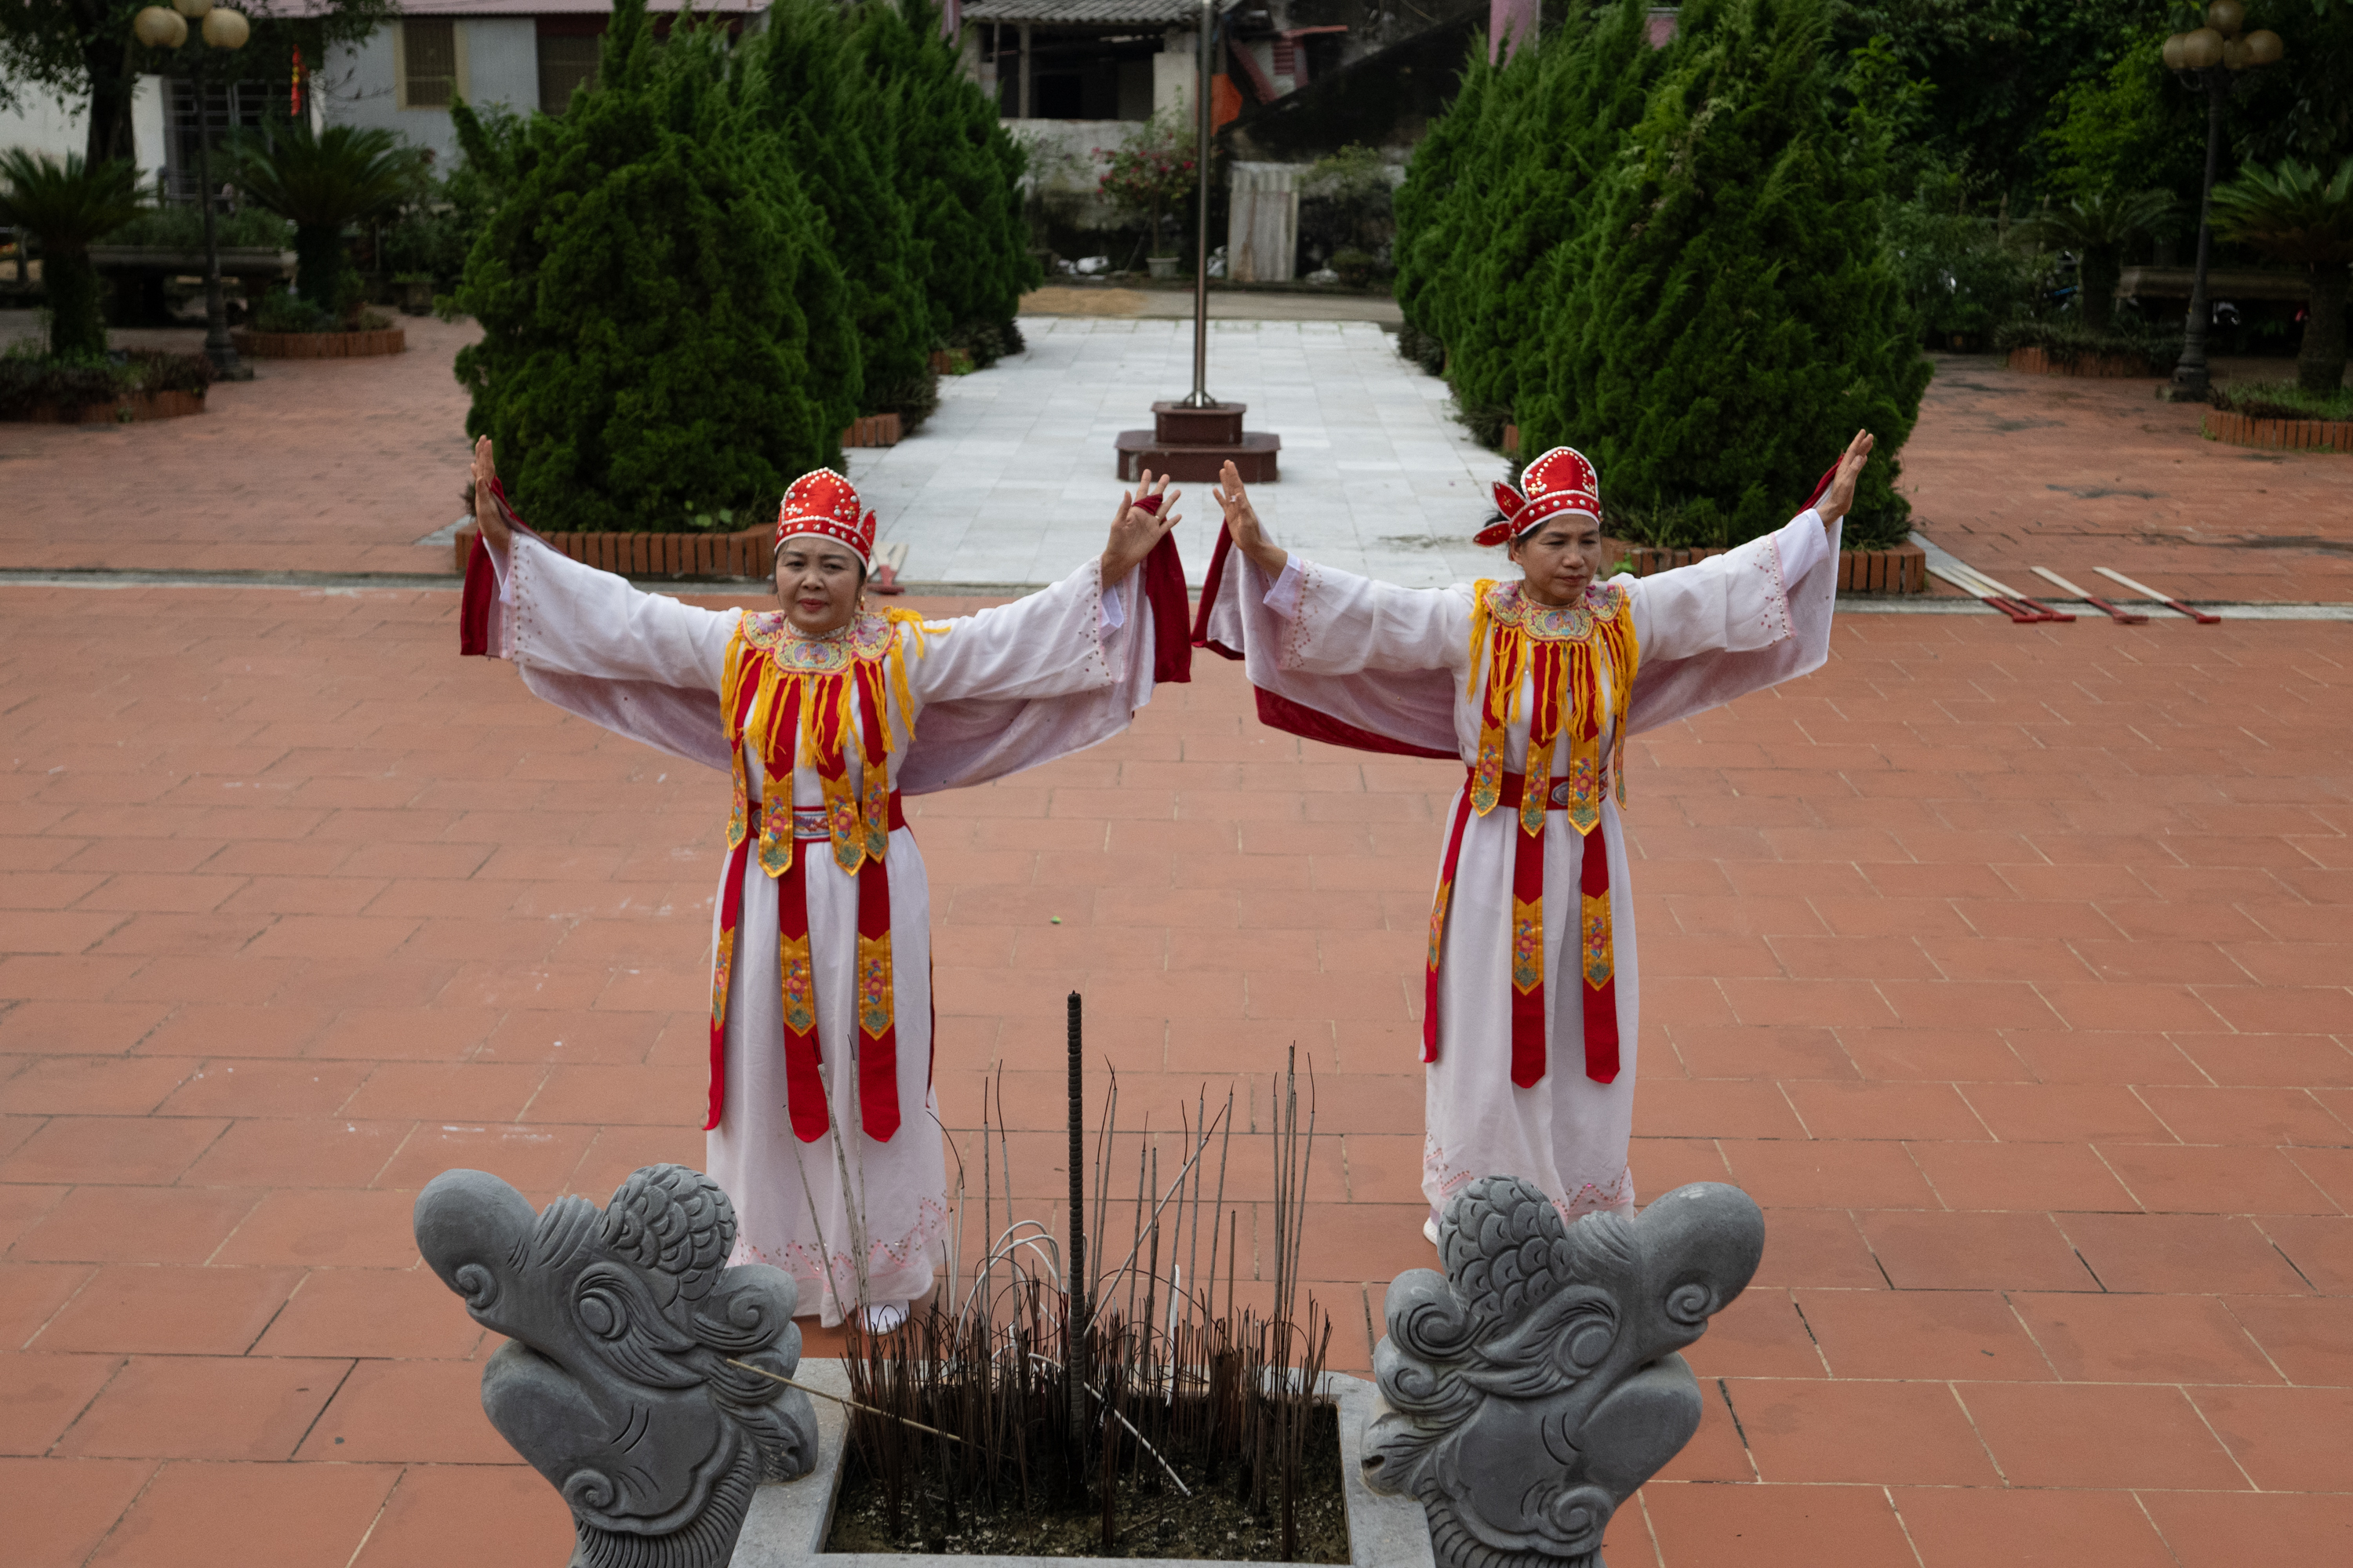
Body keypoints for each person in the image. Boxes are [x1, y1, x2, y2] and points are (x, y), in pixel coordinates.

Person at [460, 439, 1191, 1326]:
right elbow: (626, 618)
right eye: (796, 562)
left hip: (869, 896)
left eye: (832, 565)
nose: (811, 581)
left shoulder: (903, 652)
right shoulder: (735, 647)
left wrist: (1109, 569)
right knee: (760, 1067)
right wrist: (512, 546)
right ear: (775, 569)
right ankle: (766, 1256)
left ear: (862, 574)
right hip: (762, 896)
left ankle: (877, 1270)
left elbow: (1007, 638)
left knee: (867, 1070)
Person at [1195, 433, 1875, 1236]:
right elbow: (1372, 614)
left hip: (1590, 854)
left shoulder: (1624, 615)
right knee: (1488, 1026)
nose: (1578, 559)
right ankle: (1485, 1200)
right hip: (1493, 848)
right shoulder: (1474, 619)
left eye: (1590, 539)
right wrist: (1264, 554)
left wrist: (1818, 520)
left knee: (1583, 1024)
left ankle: (1583, 1193)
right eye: (1556, 541)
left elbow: (1721, 587)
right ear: (1515, 547)